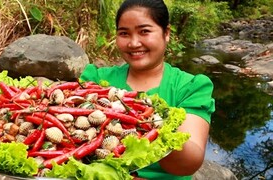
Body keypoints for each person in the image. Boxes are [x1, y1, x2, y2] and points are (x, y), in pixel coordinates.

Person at [79, 0, 215, 179]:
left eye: (144, 31)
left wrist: (150, 126)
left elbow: (188, 163)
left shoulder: (191, 87)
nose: (134, 43)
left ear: (166, 33)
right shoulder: (95, 79)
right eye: (124, 33)